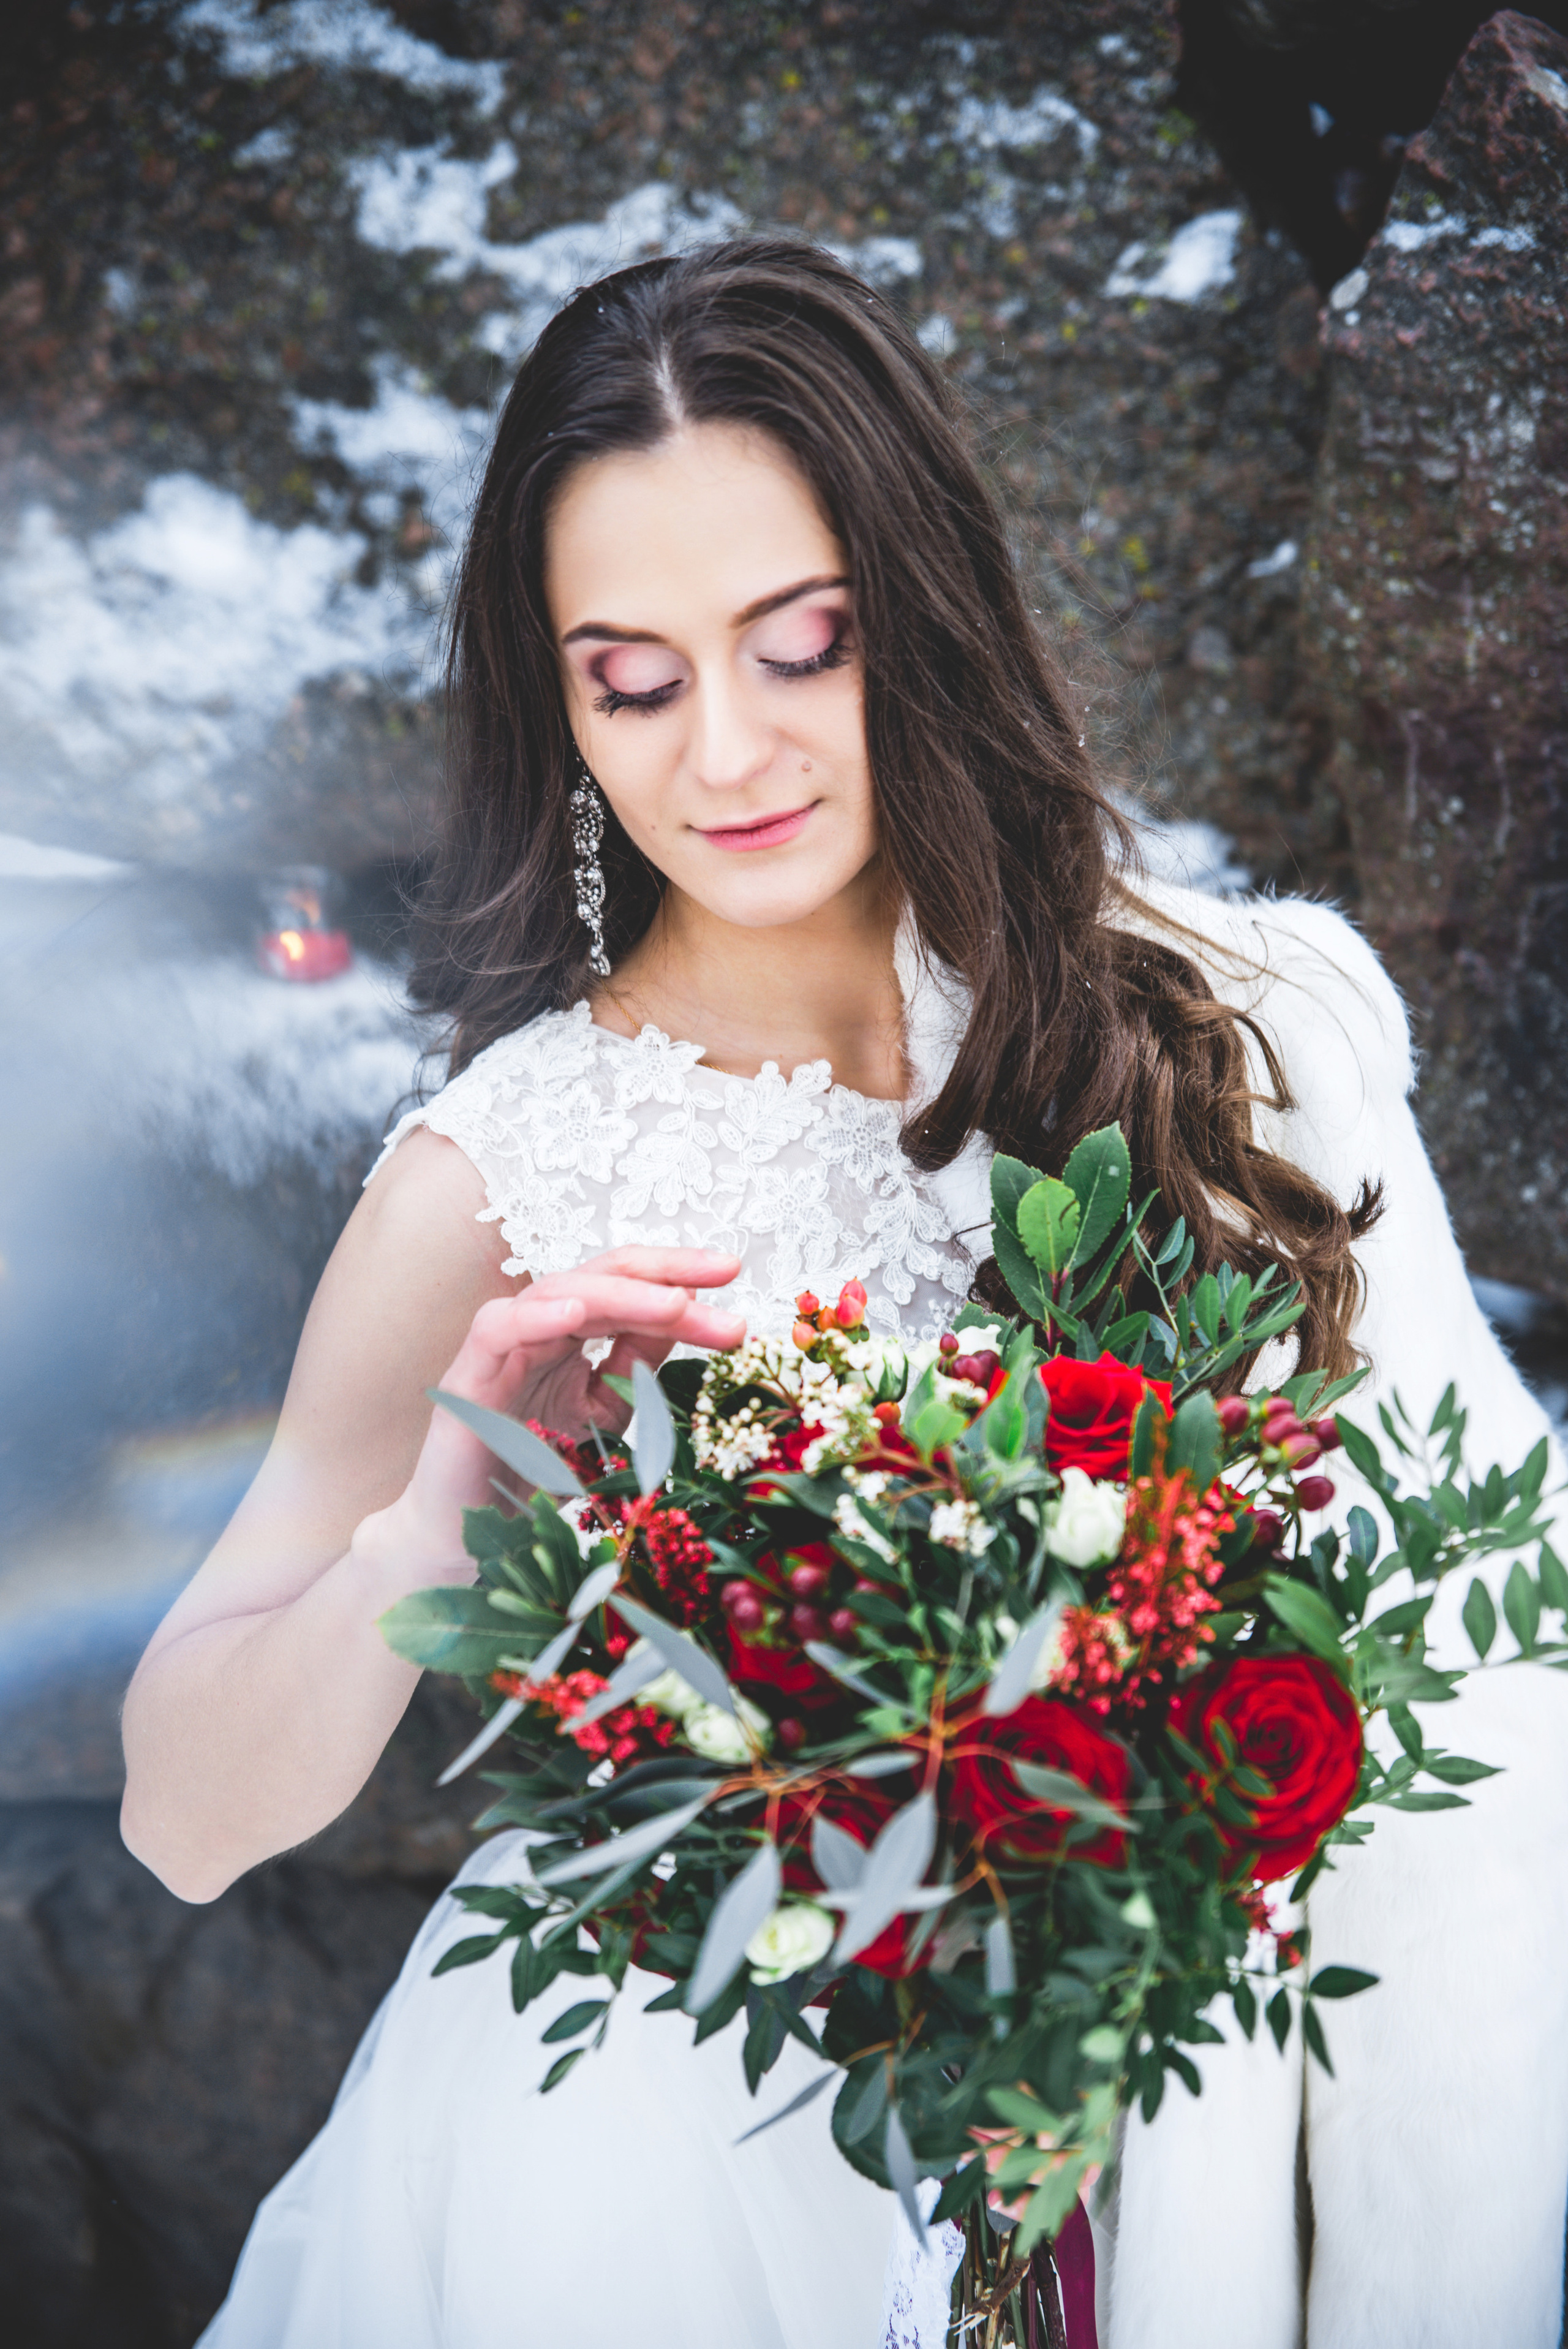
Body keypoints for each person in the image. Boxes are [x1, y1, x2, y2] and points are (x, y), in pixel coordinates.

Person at [121, 240, 1567, 2349]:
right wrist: (433, 1513)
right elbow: (177, 1814)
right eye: (632, 677)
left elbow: (1482, 1696)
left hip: (1177, 2155)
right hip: (658, 2166)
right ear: (561, 697)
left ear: (929, 614)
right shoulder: (512, 1172)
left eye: (803, 644)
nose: (728, 752)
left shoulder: (1253, 1034)